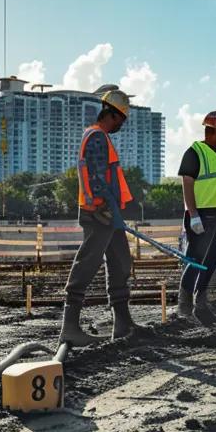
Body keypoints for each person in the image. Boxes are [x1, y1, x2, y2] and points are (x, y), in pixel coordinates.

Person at [61, 85, 137, 345]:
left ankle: (123, 322)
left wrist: (111, 208)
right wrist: (102, 205)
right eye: (121, 121)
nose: (121, 126)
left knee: (121, 261)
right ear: (113, 115)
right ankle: (69, 326)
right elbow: (93, 173)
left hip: (108, 212)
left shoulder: (100, 137)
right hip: (98, 213)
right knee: (87, 262)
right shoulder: (95, 137)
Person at [178, 111, 216, 325]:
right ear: (207, 130)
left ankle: (201, 305)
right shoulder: (194, 152)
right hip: (200, 214)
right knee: (195, 260)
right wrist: (193, 214)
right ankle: (184, 309)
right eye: (213, 131)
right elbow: (187, 183)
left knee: (211, 260)